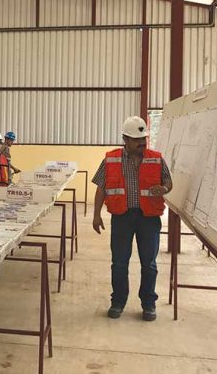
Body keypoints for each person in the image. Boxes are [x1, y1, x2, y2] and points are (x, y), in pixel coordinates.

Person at [91, 116, 173, 322]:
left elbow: (168, 182)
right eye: (137, 140)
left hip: (149, 218)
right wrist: (96, 215)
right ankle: (118, 301)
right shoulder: (111, 159)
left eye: (144, 139)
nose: (142, 143)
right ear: (125, 139)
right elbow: (101, 187)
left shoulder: (156, 158)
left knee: (149, 263)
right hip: (122, 217)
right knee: (119, 263)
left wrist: (164, 189)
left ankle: (148, 304)